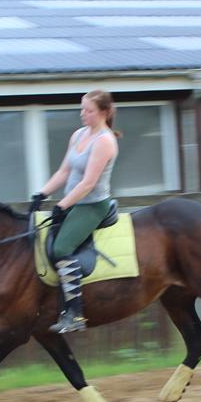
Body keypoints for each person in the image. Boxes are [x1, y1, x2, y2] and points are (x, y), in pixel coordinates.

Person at [32, 89, 120, 333]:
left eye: (88, 110)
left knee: (62, 248)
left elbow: (88, 184)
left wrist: (62, 206)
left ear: (103, 112)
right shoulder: (79, 134)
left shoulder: (104, 140)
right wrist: (42, 193)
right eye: (81, 109)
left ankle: (75, 314)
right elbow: (64, 172)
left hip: (93, 205)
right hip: (73, 201)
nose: (83, 114)